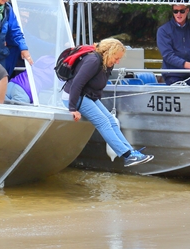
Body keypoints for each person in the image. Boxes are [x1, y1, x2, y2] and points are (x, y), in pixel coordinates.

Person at [63, 38, 153, 167]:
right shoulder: (93, 61)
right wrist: (72, 108)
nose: (118, 61)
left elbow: (97, 86)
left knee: (111, 120)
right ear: (109, 53)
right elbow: (76, 84)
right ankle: (127, 155)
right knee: (103, 122)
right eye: (116, 58)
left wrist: (96, 103)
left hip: (88, 96)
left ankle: (131, 152)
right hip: (74, 97)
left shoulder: (107, 63)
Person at [156, 3, 190, 85]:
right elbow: (168, 56)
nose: (178, 14)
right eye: (175, 11)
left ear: (187, 10)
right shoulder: (163, 31)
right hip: (172, 75)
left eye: (182, 11)